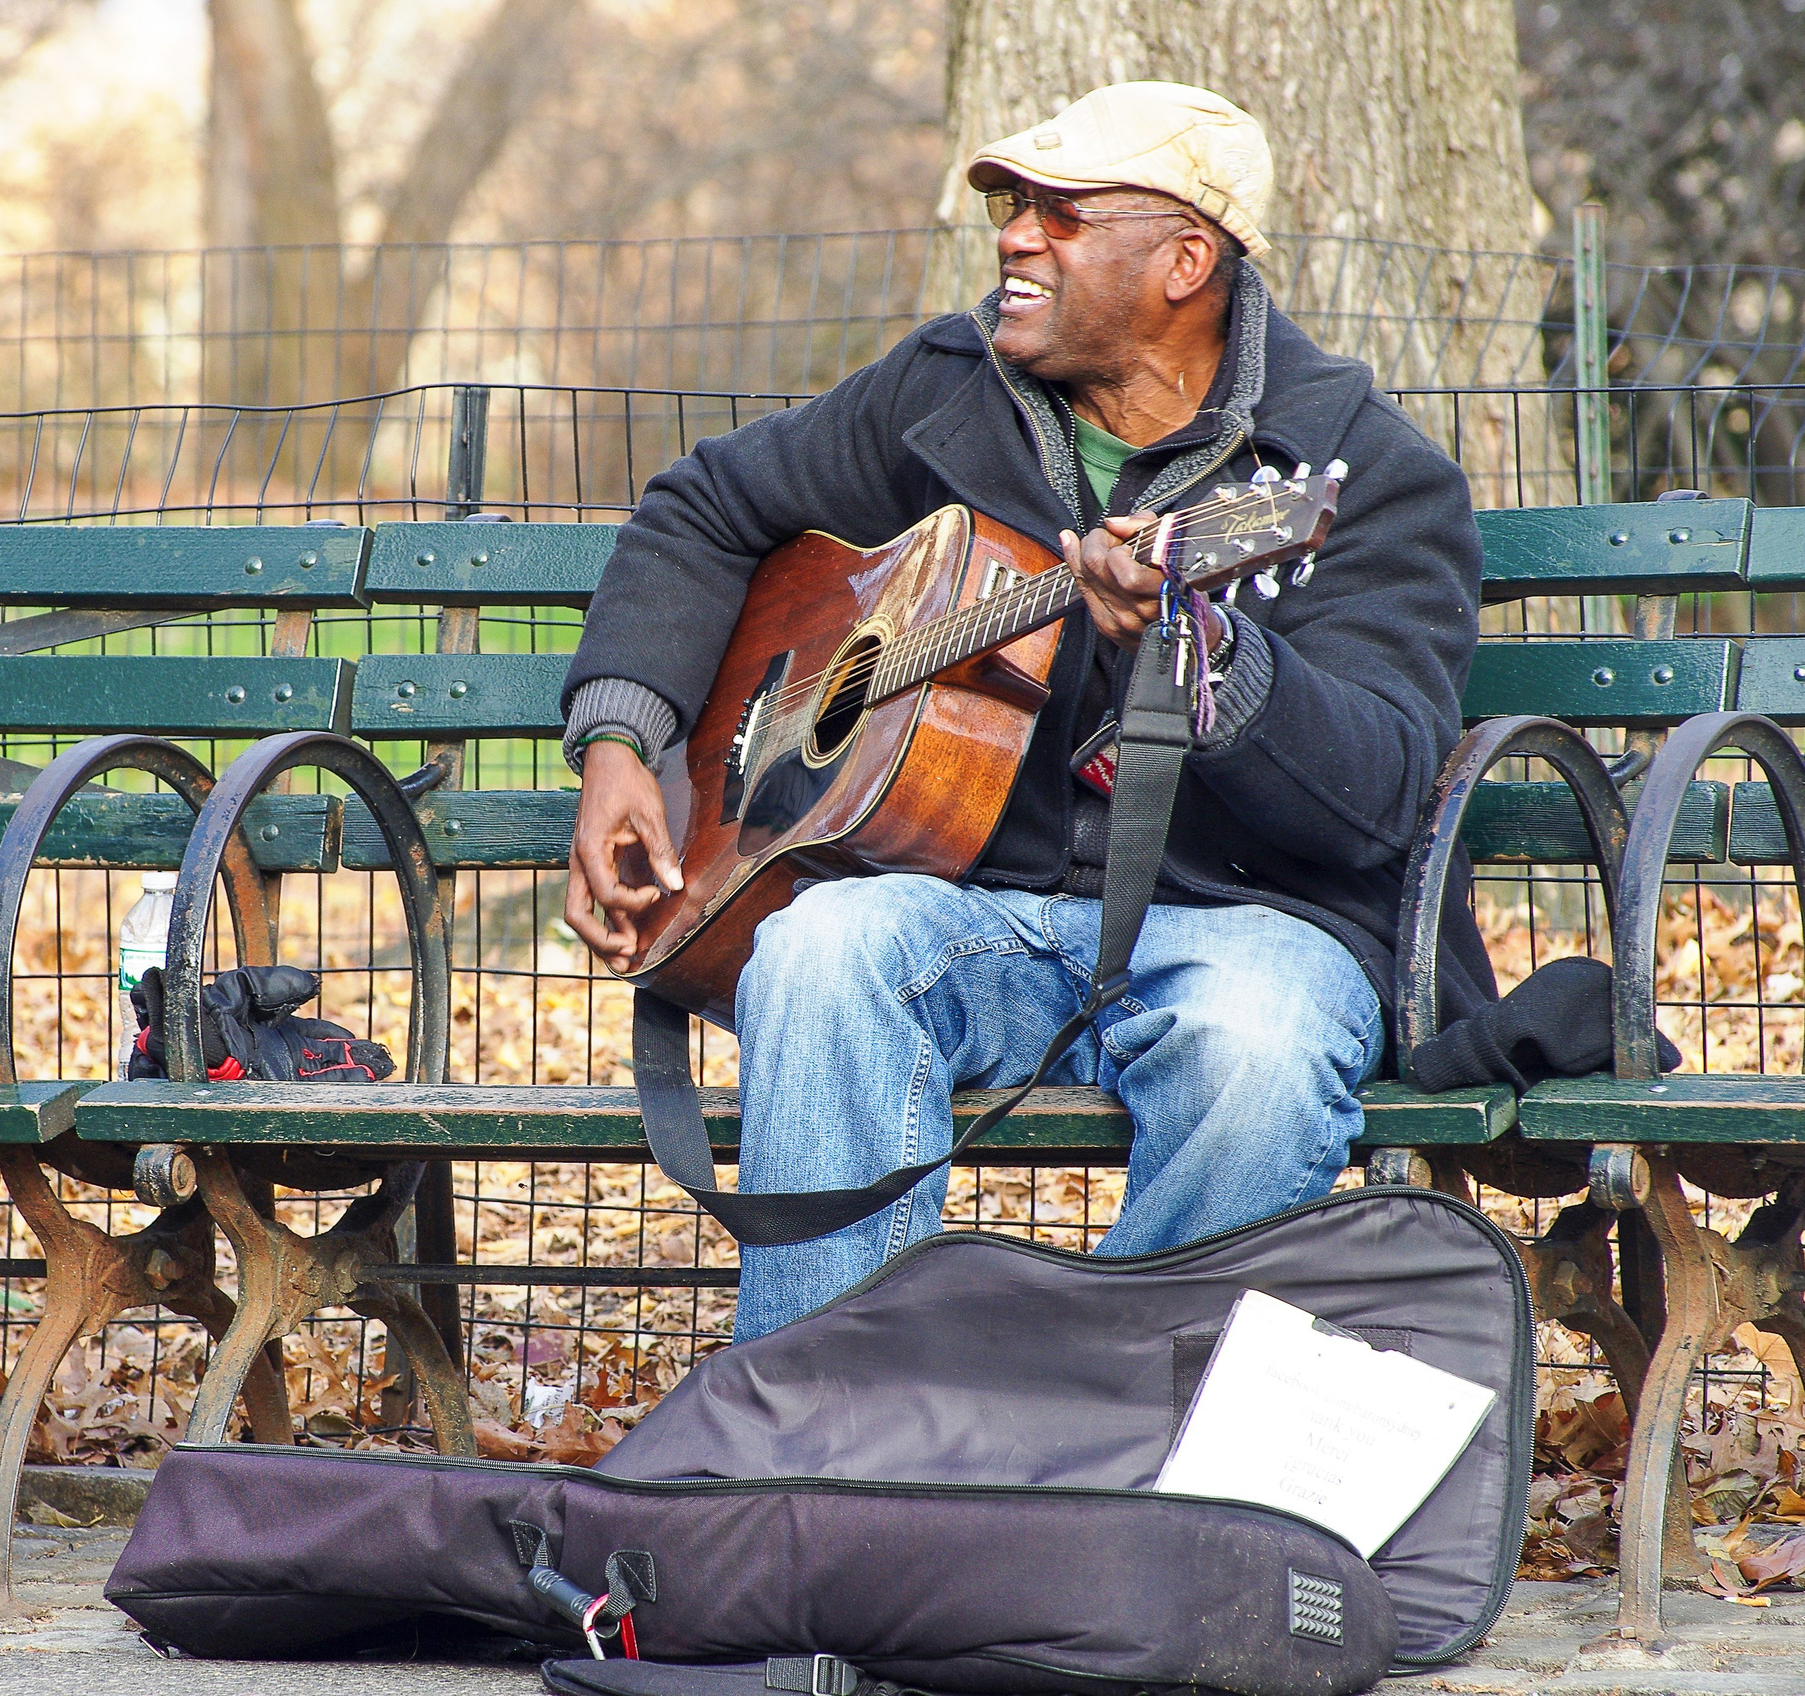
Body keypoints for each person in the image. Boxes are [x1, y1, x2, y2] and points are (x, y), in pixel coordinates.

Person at [557, 81, 1499, 1341]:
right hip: (974, 913)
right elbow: (702, 510)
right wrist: (624, 741)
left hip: (1244, 924)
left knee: (1257, 1049)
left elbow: (1382, 783)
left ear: (1184, 258)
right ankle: (819, 1446)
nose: (1013, 236)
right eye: (1010, 207)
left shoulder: (1358, 473)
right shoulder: (945, 394)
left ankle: (1071, 1423)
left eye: (1061, 214)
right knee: (820, 949)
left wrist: (1209, 651)